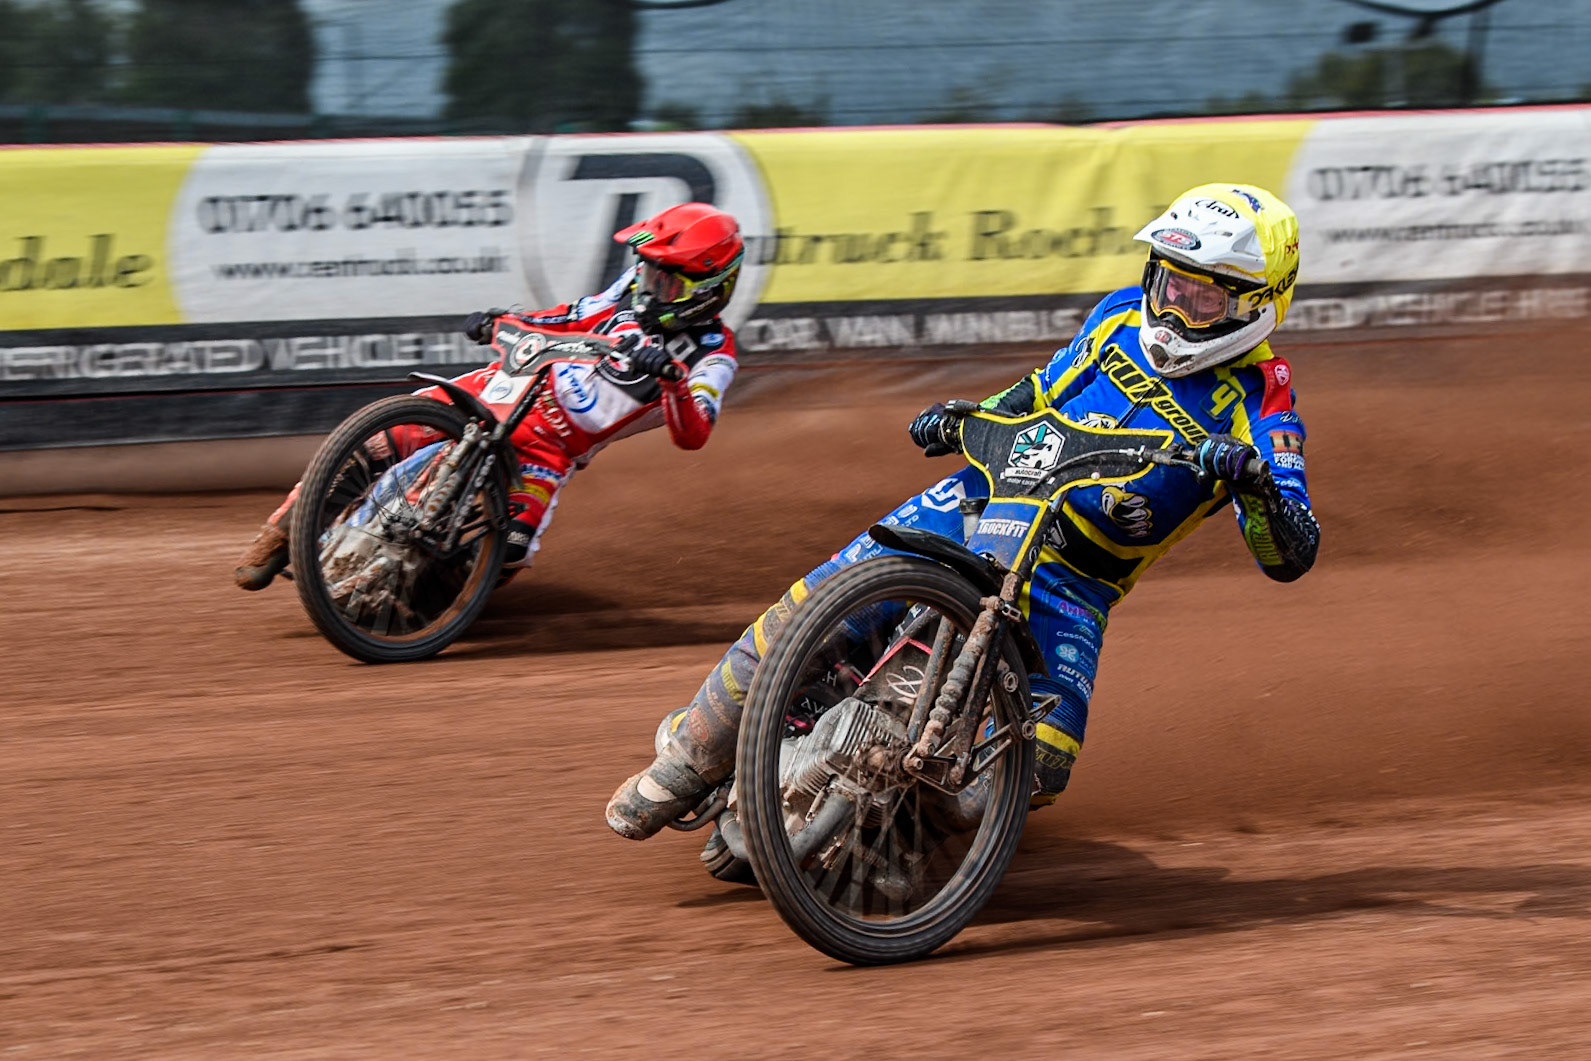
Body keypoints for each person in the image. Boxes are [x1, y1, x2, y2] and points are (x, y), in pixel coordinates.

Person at [605, 183, 1320, 841]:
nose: (1169, 311)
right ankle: (688, 759)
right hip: (979, 502)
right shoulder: (1115, 318)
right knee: (811, 606)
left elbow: (1291, 551)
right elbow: (1039, 388)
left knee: (1043, 763)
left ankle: (904, 838)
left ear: (1255, 303)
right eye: (1166, 285)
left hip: (1070, 584)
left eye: (1196, 300)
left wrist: (1253, 481)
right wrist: (963, 416)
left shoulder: (1263, 397)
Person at [233, 201, 745, 590]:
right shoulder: (635, 287)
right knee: (384, 440)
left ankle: (421, 608)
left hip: (548, 451)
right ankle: (282, 532)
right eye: (647, 272)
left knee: (509, 553)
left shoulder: (714, 354)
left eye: (665, 281)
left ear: (706, 290)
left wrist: (674, 379)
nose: (648, 287)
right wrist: (504, 320)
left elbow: (695, 433)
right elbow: (572, 314)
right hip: (510, 387)